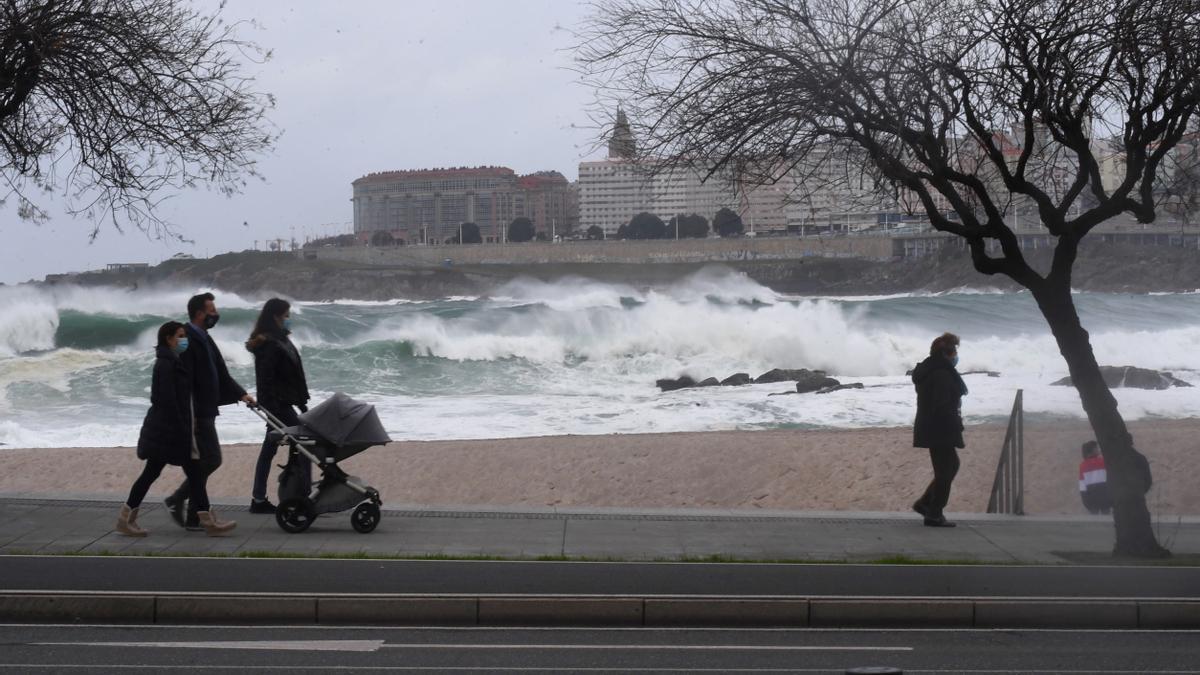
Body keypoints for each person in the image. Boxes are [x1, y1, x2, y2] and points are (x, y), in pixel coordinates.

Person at [116, 322, 236, 536]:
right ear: (169, 339)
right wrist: (183, 427)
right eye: (180, 336)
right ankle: (127, 519)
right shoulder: (166, 364)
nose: (184, 340)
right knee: (155, 474)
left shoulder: (173, 361)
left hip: (174, 431)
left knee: (190, 475)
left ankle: (207, 522)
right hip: (170, 433)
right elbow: (165, 400)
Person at [164, 292, 256, 529]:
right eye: (211, 311)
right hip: (197, 412)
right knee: (211, 459)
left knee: (205, 460)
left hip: (207, 408)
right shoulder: (189, 339)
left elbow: (221, 372)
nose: (215, 314)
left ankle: (194, 515)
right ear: (199, 314)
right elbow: (186, 383)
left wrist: (241, 393)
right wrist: (189, 415)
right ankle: (178, 499)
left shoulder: (204, 337)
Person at [246, 298, 312, 513]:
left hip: (284, 403)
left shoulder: (281, 339)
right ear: (275, 317)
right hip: (278, 405)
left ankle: (259, 498)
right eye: (286, 316)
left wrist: (302, 403)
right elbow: (266, 379)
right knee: (304, 442)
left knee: (271, 447)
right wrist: (271, 408)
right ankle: (303, 496)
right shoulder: (270, 343)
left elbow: (293, 376)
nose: (288, 320)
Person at [911, 332, 967, 528]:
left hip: (931, 426)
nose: (956, 355)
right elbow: (942, 405)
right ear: (948, 353)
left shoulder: (930, 369)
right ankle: (933, 512)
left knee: (950, 466)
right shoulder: (942, 373)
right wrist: (954, 425)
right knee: (946, 470)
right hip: (940, 428)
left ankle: (926, 504)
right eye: (955, 351)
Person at [1078, 440, 1112, 515]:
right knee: (1106, 518)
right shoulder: (1103, 461)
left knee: (1094, 520)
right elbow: (1111, 478)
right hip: (1105, 497)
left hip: (1091, 499)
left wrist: (1085, 501)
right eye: (1096, 448)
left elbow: (1082, 485)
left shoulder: (1082, 466)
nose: (1098, 449)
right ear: (1092, 450)